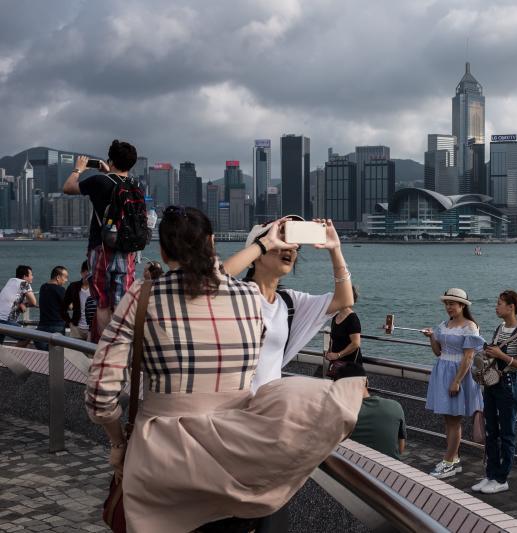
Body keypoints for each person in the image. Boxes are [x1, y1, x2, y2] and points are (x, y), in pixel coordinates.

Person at [84, 206, 364, 532]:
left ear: (162, 249)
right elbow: (218, 280)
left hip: (161, 455)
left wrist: (118, 444)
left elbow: (101, 394)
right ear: (213, 242)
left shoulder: (142, 296)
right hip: (239, 452)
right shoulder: (248, 297)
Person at [222, 216, 355, 391]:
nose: (290, 249)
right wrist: (266, 243)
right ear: (257, 253)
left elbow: (344, 300)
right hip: (230, 407)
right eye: (280, 240)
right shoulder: (235, 294)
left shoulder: (289, 302)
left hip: (267, 409)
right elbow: (211, 280)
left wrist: (335, 250)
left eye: (294, 245)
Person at [63, 140, 141, 341]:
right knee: (121, 302)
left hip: (102, 249)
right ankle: (121, 345)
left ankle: (104, 347)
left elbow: (68, 188)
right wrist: (110, 172)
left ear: (111, 160)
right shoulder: (135, 185)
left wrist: (78, 169)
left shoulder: (99, 181)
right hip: (128, 251)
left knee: (103, 302)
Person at [471, 290, 517, 495]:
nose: (496, 307)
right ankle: (490, 474)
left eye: (499, 304)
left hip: (508, 384)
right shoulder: (500, 329)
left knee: (507, 432)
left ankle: (501, 477)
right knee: (491, 430)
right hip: (492, 383)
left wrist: (501, 355)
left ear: (511, 307)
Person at [421, 288, 484, 479]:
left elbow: (468, 357)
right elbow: (438, 352)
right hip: (442, 371)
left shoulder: (470, 326)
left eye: (452, 303)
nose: (449, 307)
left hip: (458, 374)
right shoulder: (444, 324)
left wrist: (456, 381)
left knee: (455, 419)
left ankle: (449, 461)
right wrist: (432, 337)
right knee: (448, 419)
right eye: (447, 303)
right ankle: (453, 459)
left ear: (462, 305)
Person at [334, 364, 407, 459]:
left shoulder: (339, 413)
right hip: (391, 469)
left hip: (352, 468)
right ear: (366, 382)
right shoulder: (395, 406)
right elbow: (401, 448)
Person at [326, 285, 363, 379]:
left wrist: (337, 355)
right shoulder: (335, 317)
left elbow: (356, 343)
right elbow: (333, 339)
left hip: (350, 366)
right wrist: (329, 352)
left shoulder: (352, 319)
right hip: (337, 366)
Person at [33, 266, 69, 350]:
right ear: (58, 277)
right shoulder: (60, 289)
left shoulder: (43, 287)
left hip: (42, 326)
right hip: (57, 326)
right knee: (56, 354)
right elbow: (69, 305)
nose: (66, 280)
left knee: (44, 354)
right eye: (65, 277)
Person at [0, 265, 36, 345]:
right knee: (30, 336)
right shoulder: (24, 283)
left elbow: (11, 298)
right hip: (5, 322)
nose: (32, 277)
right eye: (31, 275)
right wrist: (24, 304)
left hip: (1, 320)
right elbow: (33, 302)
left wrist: (20, 304)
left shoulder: (11, 280)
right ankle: (15, 357)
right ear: (24, 276)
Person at [61, 261, 92, 341]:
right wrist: (69, 322)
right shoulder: (73, 287)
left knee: (93, 352)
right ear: (82, 273)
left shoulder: (97, 288)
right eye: (86, 273)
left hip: (93, 329)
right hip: (76, 328)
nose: (89, 276)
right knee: (76, 353)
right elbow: (63, 307)